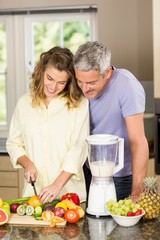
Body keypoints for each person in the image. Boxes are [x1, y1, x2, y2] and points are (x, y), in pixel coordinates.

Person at [6, 46, 89, 204]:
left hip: (70, 197)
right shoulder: (24, 103)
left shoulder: (79, 105)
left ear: (69, 82)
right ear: (41, 72)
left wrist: (57, 185)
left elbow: (78, 149)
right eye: (50, 78)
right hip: (34, 195)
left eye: (61, 82)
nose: (53, 87)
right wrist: (27, 164)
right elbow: (14, 143)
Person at [73, 41, 149, 203]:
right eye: (80, 81)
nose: (84, 89)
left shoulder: (127, 86)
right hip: (88, 172)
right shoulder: (80, 85)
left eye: (91, 83)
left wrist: (136, 193)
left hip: (120, 176)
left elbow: (138, 142)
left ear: (107, 72)